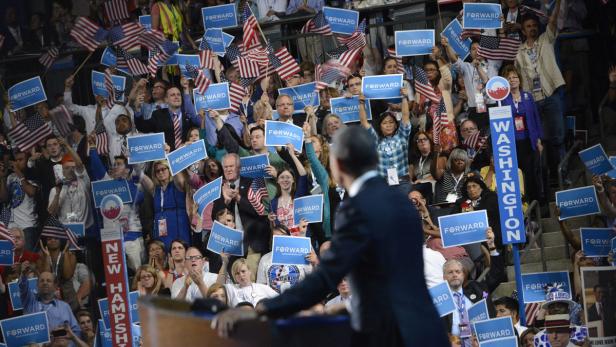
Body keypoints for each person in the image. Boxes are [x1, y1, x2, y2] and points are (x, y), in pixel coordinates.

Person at [212, 126, 449, 347]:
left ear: (337, 164)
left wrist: (263, 309)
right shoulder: (403, 202)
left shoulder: (356, 208)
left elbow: (326, 277)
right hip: (428, 329)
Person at [515, 0, 564, 182]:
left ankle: (562, 175)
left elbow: (552, 21)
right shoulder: (518, 53)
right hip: (533, 101)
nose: (532, 28)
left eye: (535, 25)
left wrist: (558, 4)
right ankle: (548, 177)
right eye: (528, 26)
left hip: (550, 95)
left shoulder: (546, 39)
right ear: (523, 30)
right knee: (541, 140)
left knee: (557, 136)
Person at [500, 64, 544, 205]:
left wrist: (538, 140)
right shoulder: (502, 100)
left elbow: (536, 118)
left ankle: (537, 201)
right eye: (509, 78)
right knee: (518, 175)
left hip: (529, 141)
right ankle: (523, 204)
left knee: (532, 173)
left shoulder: (528, 96)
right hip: (512, 143)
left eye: (515, 77)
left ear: (519, 79)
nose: (512, 80)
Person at [358, 89, 413, 194]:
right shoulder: (376, 141)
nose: (388, 125)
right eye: (384, 123)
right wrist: (361, 103)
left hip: (402, 182)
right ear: (380, 126)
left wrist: (405, 98)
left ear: (396, 125)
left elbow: (405, 117)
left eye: (391, 122)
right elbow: (364, 123)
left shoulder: (402, 136)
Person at [140, 160, 190, 247]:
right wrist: (131, 160)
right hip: (162, 229)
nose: (160, 172)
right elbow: (141, 175)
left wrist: (169, 156)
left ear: (169, 169)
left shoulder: (177, 185)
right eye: (157, 171)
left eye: (163, 169)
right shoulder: (155, 190)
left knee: (180, 250)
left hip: (179, 226)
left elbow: (180, 179)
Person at [19, 270, 81, 336]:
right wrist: (23, 275)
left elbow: (76, 331)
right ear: (37, 285)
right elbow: (23, 287)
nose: (45, 283)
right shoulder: (29, 302)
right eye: (42, 281)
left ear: (55, 286)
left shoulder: (64, 306)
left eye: (48, 281)